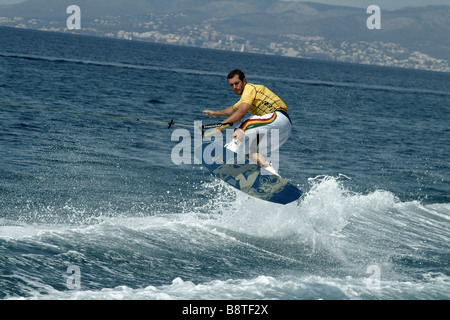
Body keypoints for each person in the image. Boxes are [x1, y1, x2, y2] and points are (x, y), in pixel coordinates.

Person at [203, 69, 292, 176]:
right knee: (249, 150)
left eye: (237, 83)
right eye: (231, 85)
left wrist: (221, 125)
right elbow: (233, 109)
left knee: (241, 128)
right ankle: (272, 174)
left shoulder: (249, 89)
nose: (235, 87)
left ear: (244, 81)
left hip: (278, 117)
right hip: (282, 129)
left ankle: (228, 156)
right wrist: (216, 113)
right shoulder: (245, 98)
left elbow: (240, 113)